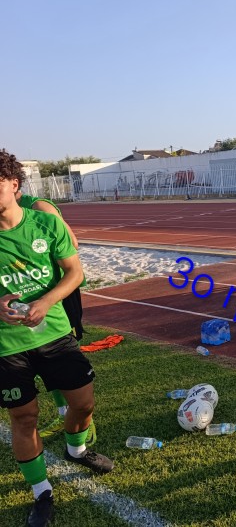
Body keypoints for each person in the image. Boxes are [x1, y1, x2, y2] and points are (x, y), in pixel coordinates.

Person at [0, 149, 113, 527]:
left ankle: (76, 449)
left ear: (14, 184)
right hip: (6, 345)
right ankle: (41, 491)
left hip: (55, 335)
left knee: (84, 403)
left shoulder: (45, 223)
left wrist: (47, 301)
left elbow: (74, 272)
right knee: (23, 417)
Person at [14, 189, 96, 445]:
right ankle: (63, 414)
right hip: (24, 302)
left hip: (57, 293)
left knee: (61, 354)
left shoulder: (38, 207)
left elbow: (72, 243)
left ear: (14, 184)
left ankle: (85, 424)